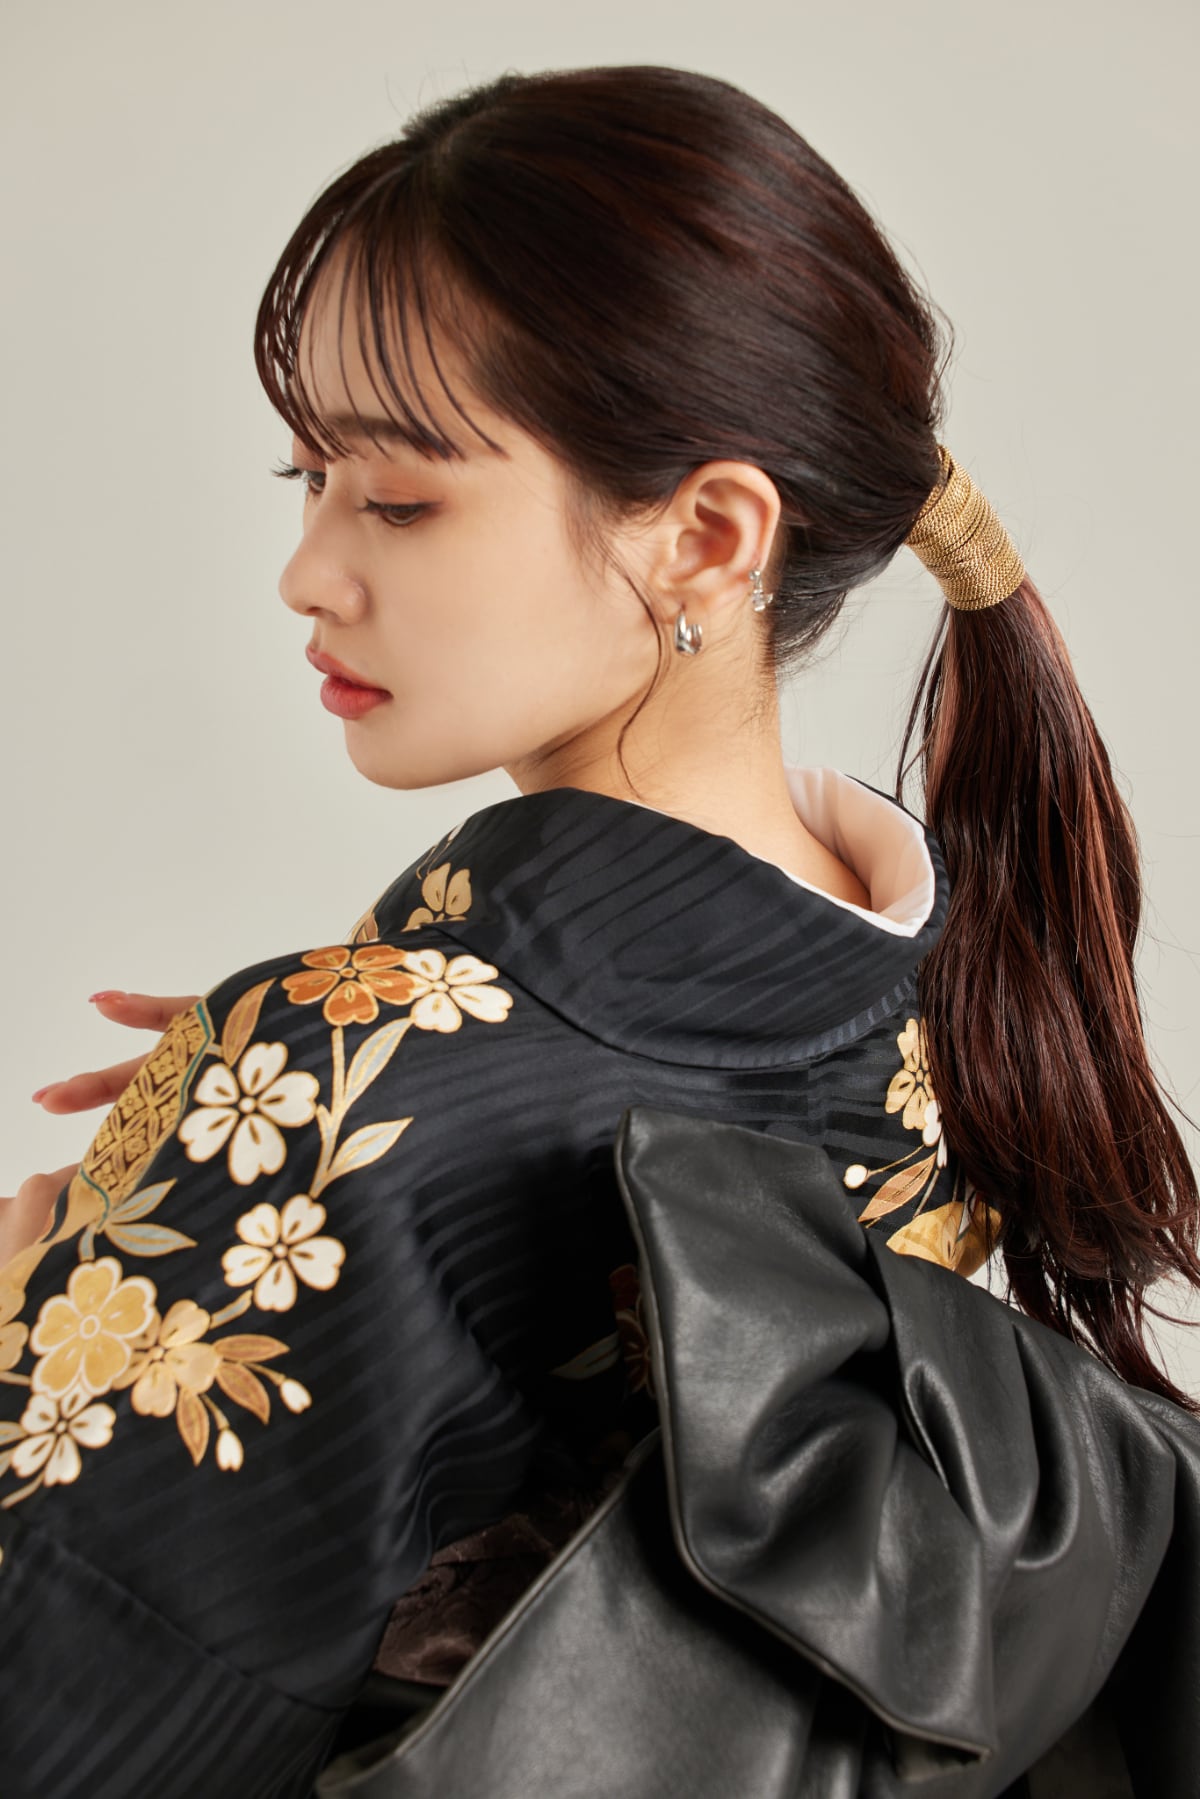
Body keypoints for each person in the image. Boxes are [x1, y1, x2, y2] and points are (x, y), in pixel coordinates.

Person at [1, 62, 1196, 1798]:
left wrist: (74, 1290)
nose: (307, 571)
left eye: (396, 498)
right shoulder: (933, 1004)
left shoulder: (354, 1076)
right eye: (307, 475)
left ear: (707, 537)